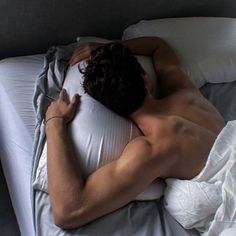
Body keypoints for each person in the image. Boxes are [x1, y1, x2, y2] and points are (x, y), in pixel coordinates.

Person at [45, 37, 225, 229]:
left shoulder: (151, 151)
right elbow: (158, 45)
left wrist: (54, 122)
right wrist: (106, 48)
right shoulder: (182, 89)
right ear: (145, 78)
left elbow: (68, 212)